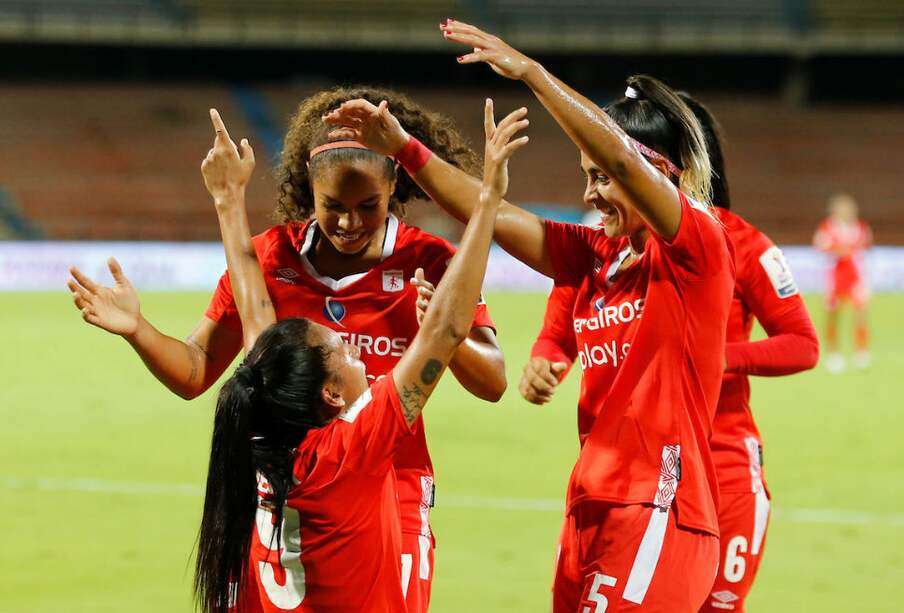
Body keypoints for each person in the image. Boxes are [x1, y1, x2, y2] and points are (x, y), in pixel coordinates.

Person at [325, 23, 734, 612]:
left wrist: (533, 73)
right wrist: (405, 150)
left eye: (601, 179)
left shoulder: (697, 250)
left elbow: (621, 155)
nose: (591, 195)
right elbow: (488, 213)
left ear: (657, 177)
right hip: (591, 507)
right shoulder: (599, 256)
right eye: (586, 177)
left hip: (661, 508)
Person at [70, 102, 527, 612]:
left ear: (394, 186)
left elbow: (491, 381)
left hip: (384, 490)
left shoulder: (428, 260)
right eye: (332, 205)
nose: (349, 222)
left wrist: (227, 200)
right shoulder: (274, 259)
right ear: (308, 189)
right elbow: (200, 368)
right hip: (293, 487)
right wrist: (486, 202)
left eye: (368, 205)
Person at [517, 92, 820, 613]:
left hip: (721, 463)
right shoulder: (605, 248)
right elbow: (560, 328)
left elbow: (803, 344)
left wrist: (713, 357)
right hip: (638, 469)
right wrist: (546, 358)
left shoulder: (734, 241)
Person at [813, 193, 873, 372]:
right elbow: (820, 246)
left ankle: (861, 352)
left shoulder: (861, 227)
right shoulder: (827, 227)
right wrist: (839, 250)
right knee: (833, 315)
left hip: (855, 276)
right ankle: (833, 353)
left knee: (860, 313)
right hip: (835, 277)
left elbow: (866, 246)